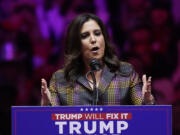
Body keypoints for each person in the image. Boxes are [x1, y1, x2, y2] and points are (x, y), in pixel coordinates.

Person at [41, 13, 155, 106]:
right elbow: (50, 123)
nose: (93, 39)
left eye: (97, 33)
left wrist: (148, 102)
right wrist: (45, 106)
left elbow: (145, 118)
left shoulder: (125, 72)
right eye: (85, 35)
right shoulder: (60, 79)